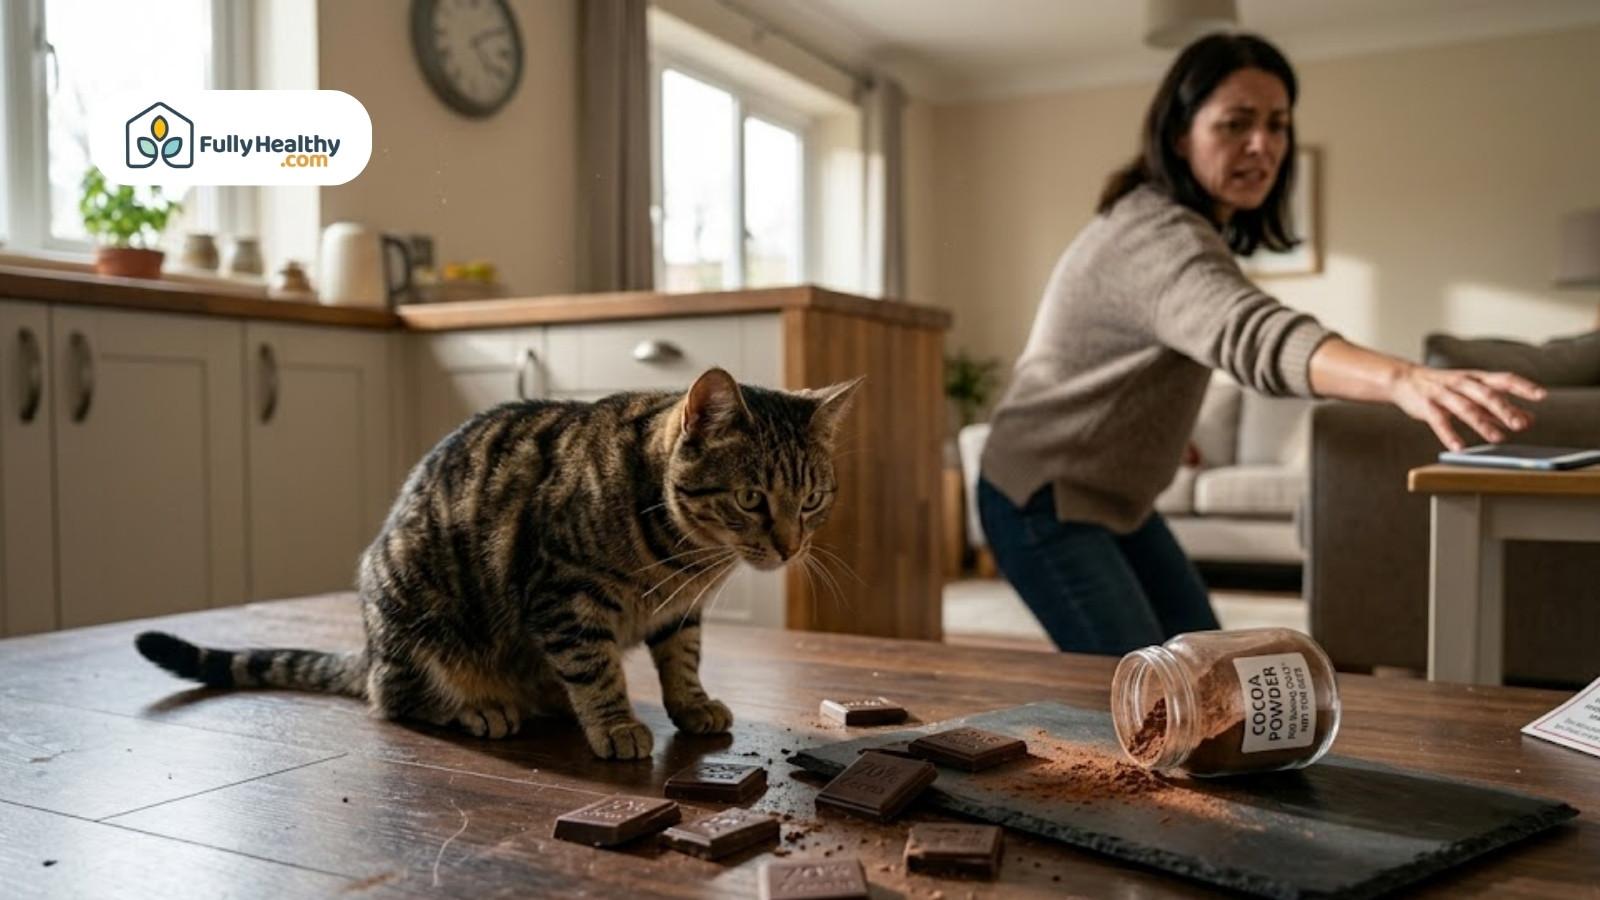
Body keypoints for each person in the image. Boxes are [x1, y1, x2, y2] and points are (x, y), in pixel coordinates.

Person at [977, 33, 1545, 656]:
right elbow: (1255, 333)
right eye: (1236, 124)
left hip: (1114, 498)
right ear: (1178, 135)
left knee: (1215, 666)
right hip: (1040, 497)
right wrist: (1402, 380)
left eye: (1278, 125)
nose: (1263, 145)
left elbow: (1132, 351)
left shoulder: (1179, 228)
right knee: (1151, 694)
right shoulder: (1156, 232)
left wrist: (1158, 428)